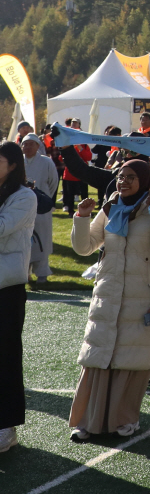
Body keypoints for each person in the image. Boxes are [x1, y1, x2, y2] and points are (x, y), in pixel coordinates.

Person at [68, 161, 150, 441]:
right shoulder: (110, 206)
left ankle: (125, 419)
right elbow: (85, 246)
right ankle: (89, 421)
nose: (123, 182)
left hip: (140, 298)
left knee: (131, 362)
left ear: (145, 181)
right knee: (98, 359)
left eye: (131, 177)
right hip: (108, 295)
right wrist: (81, 216)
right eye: (120, 177)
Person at [0, 143, 39, 453]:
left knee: (6, 356)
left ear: (12, 165)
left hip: (7, 289)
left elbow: (1, 228)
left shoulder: (25, 197)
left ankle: (6, 426)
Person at [22, 134, 58, 286]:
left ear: (37, 146)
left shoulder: (46, 162)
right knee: (24, 239)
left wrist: (45, 198)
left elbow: (53, 182)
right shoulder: (17, 162)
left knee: (42, 238)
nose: (28, 147)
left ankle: (42, 273)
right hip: (22, 207)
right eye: (25, 144)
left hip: (41, 206)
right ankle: (25, 272)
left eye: (31, 144)